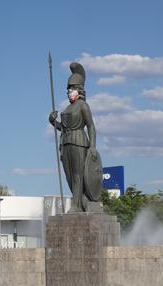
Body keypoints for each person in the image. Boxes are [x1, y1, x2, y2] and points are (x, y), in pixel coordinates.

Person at [49, 62, 98, 212]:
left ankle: (76, 205)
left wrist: (93, 147)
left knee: (78, 174)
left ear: (79, 89)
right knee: (69, 175)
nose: (69, 91)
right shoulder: (67, 108)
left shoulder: (83, 105)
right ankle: (80, 201)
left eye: (72, 88)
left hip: (79, 142)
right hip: (65, 142)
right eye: (68, 89)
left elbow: (90, 126)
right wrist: (53, 122)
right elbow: (63, 128)